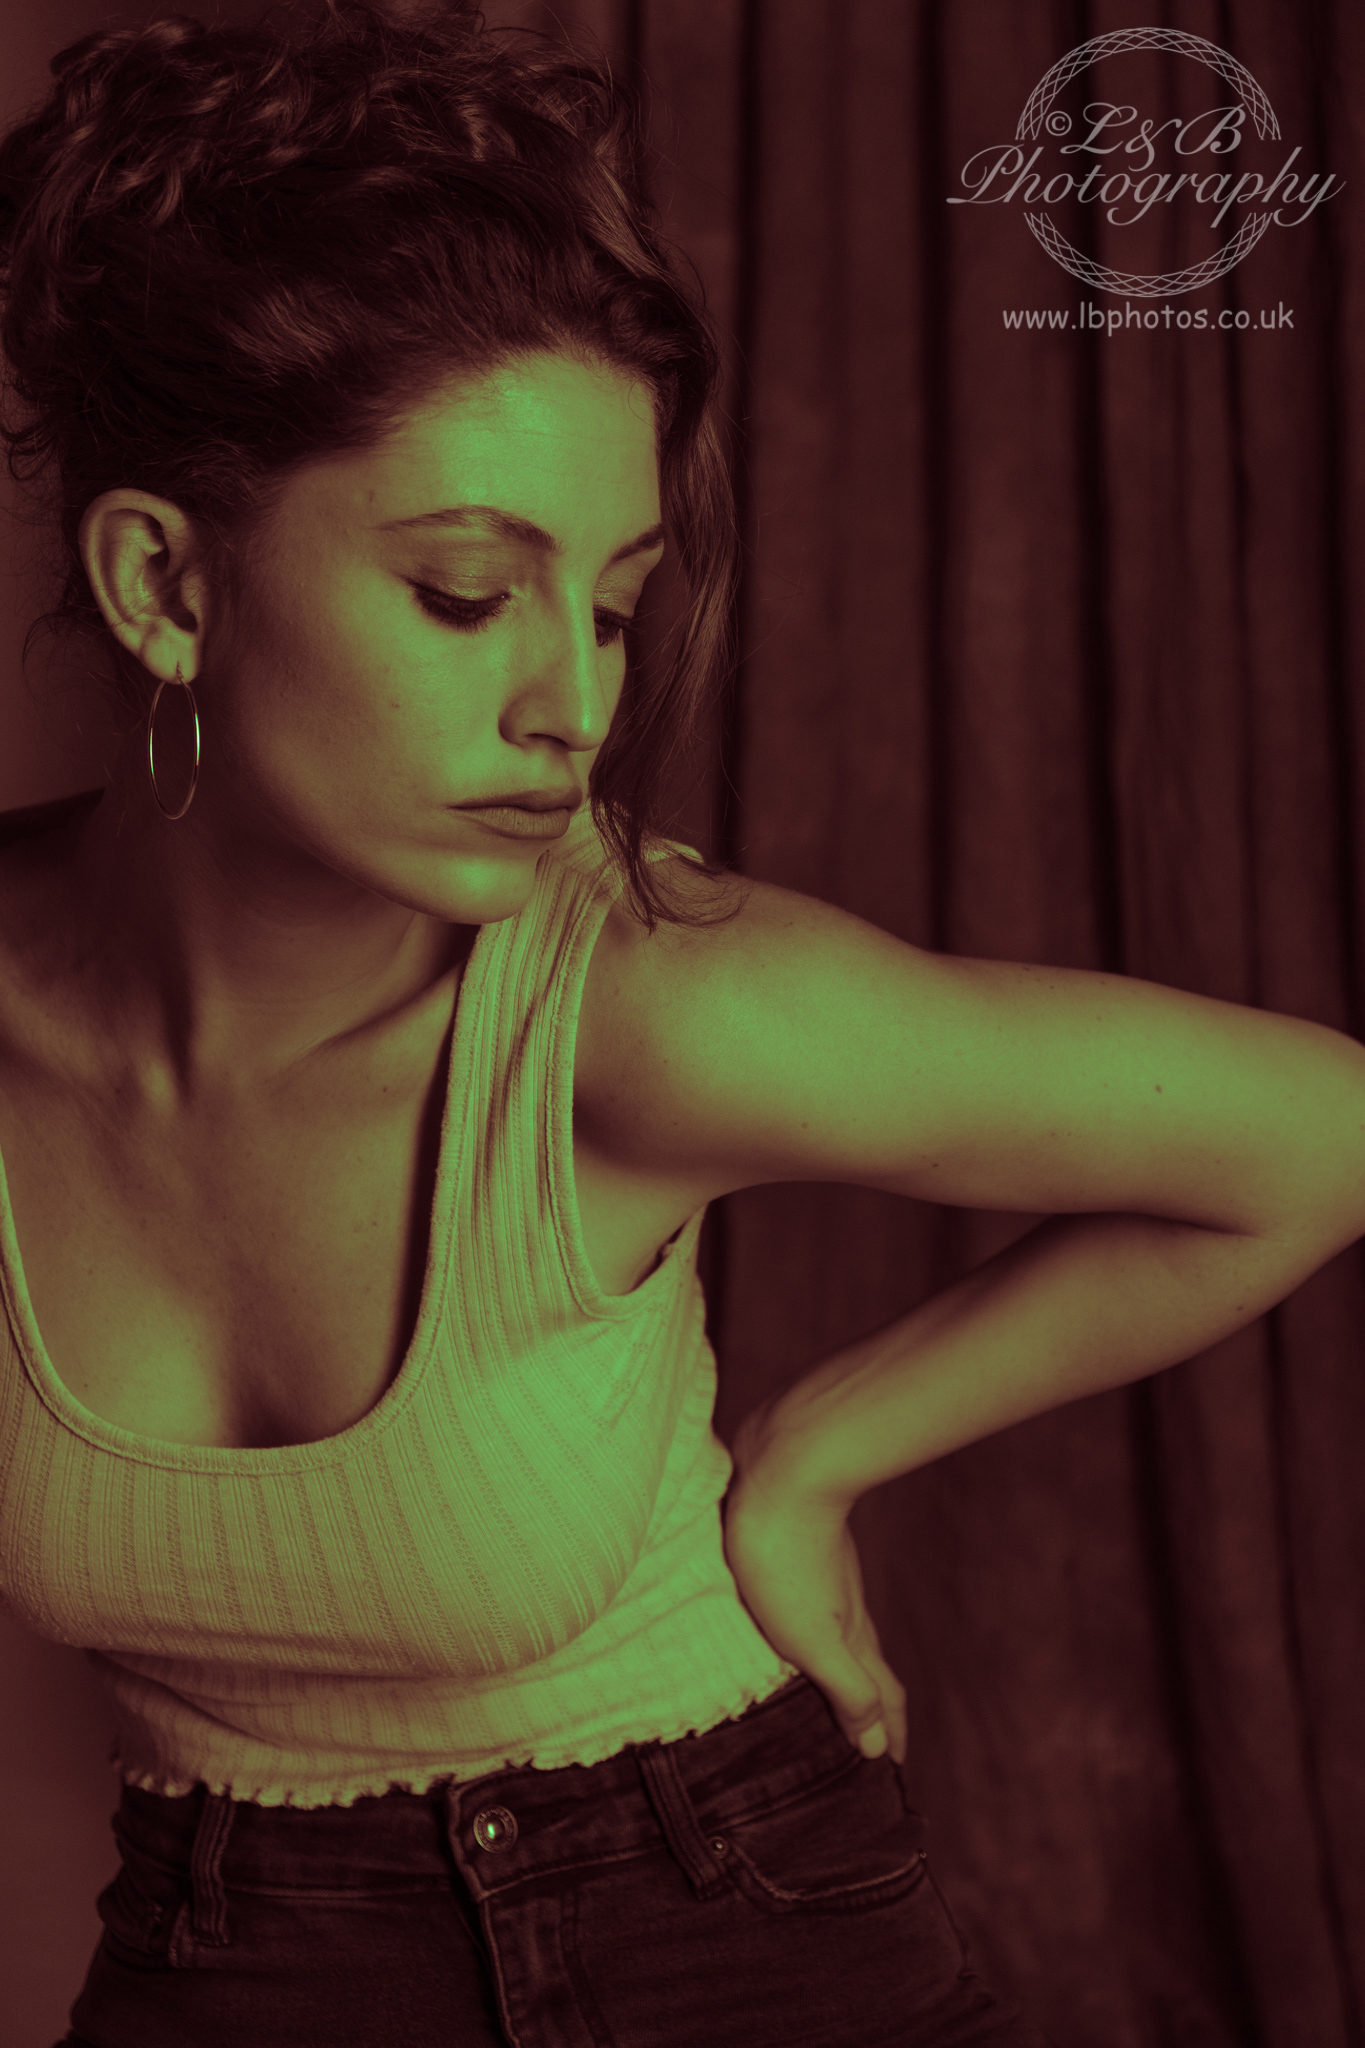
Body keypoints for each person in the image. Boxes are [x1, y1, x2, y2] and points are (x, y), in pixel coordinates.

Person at [0, 4, 1360, 2045]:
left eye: (616, 603)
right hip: (218, 1953)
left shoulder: (645, 1003)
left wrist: (815, 1449)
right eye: (470, 594)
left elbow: (1316, 1133)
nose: (575, 704)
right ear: (164, 588)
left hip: (717, 1918)